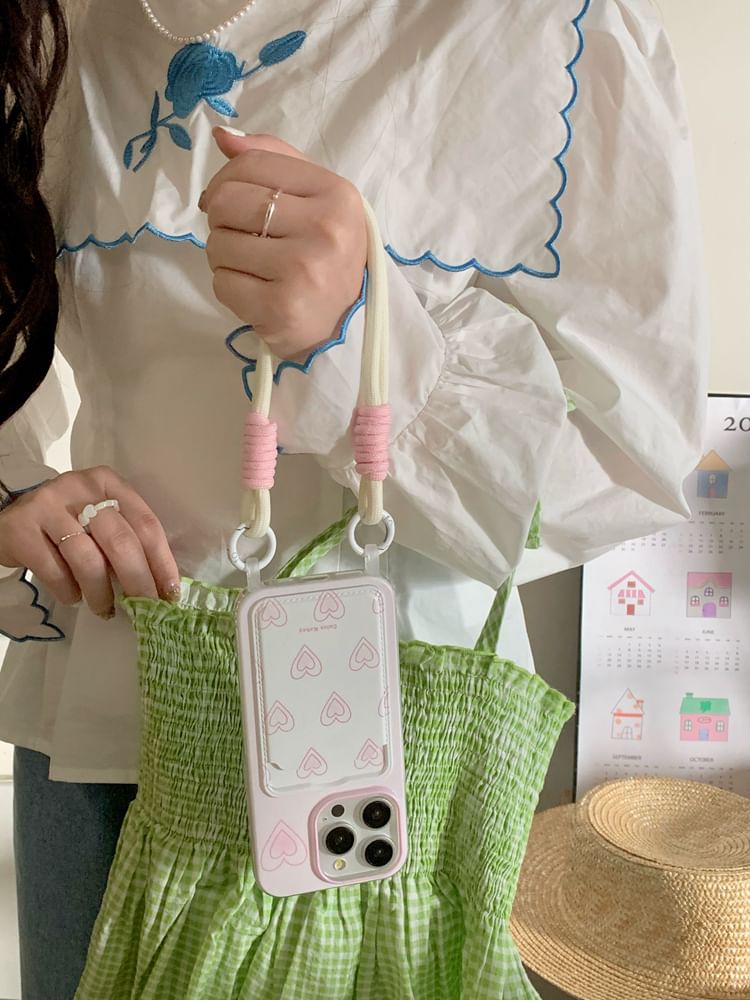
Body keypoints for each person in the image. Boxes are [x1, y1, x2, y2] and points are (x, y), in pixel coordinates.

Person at [0, 0, 707, 997]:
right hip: (104, 733)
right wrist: (14, 495)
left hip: (393, 764)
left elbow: (633, 451)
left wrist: (364, 338)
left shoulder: (543, 29)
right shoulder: (61, 30)